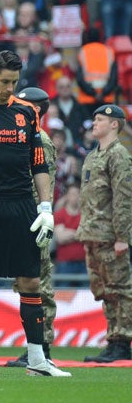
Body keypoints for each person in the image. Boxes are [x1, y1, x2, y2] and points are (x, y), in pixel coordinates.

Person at [0, 50, 70, 377]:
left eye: (14, 81)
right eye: (4, 81)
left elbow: (38, 162)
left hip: (23, 203)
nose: (10, 88)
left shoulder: (27, 113)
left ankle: (36, 360)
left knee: (31, 281)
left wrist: (46, 206)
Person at [5, 87, 58, 368]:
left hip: (34, 221)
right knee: (26, 284)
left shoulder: (42, 142)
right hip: (22, 218)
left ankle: (43, 346)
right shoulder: (25, 137)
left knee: (40, 285)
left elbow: (43, 186)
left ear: (34, 110)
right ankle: (35, 346)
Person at [79, 105, 132, 363]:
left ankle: (123, 341)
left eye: (99, 119)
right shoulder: (93, 156)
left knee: (120, 288)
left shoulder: (118, 155)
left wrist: (123, 236)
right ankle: (113, 339)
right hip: (92, 232)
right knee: (103, 290)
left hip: (111, 235)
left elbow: (123, 198)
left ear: (114, 124)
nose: (94, 123)